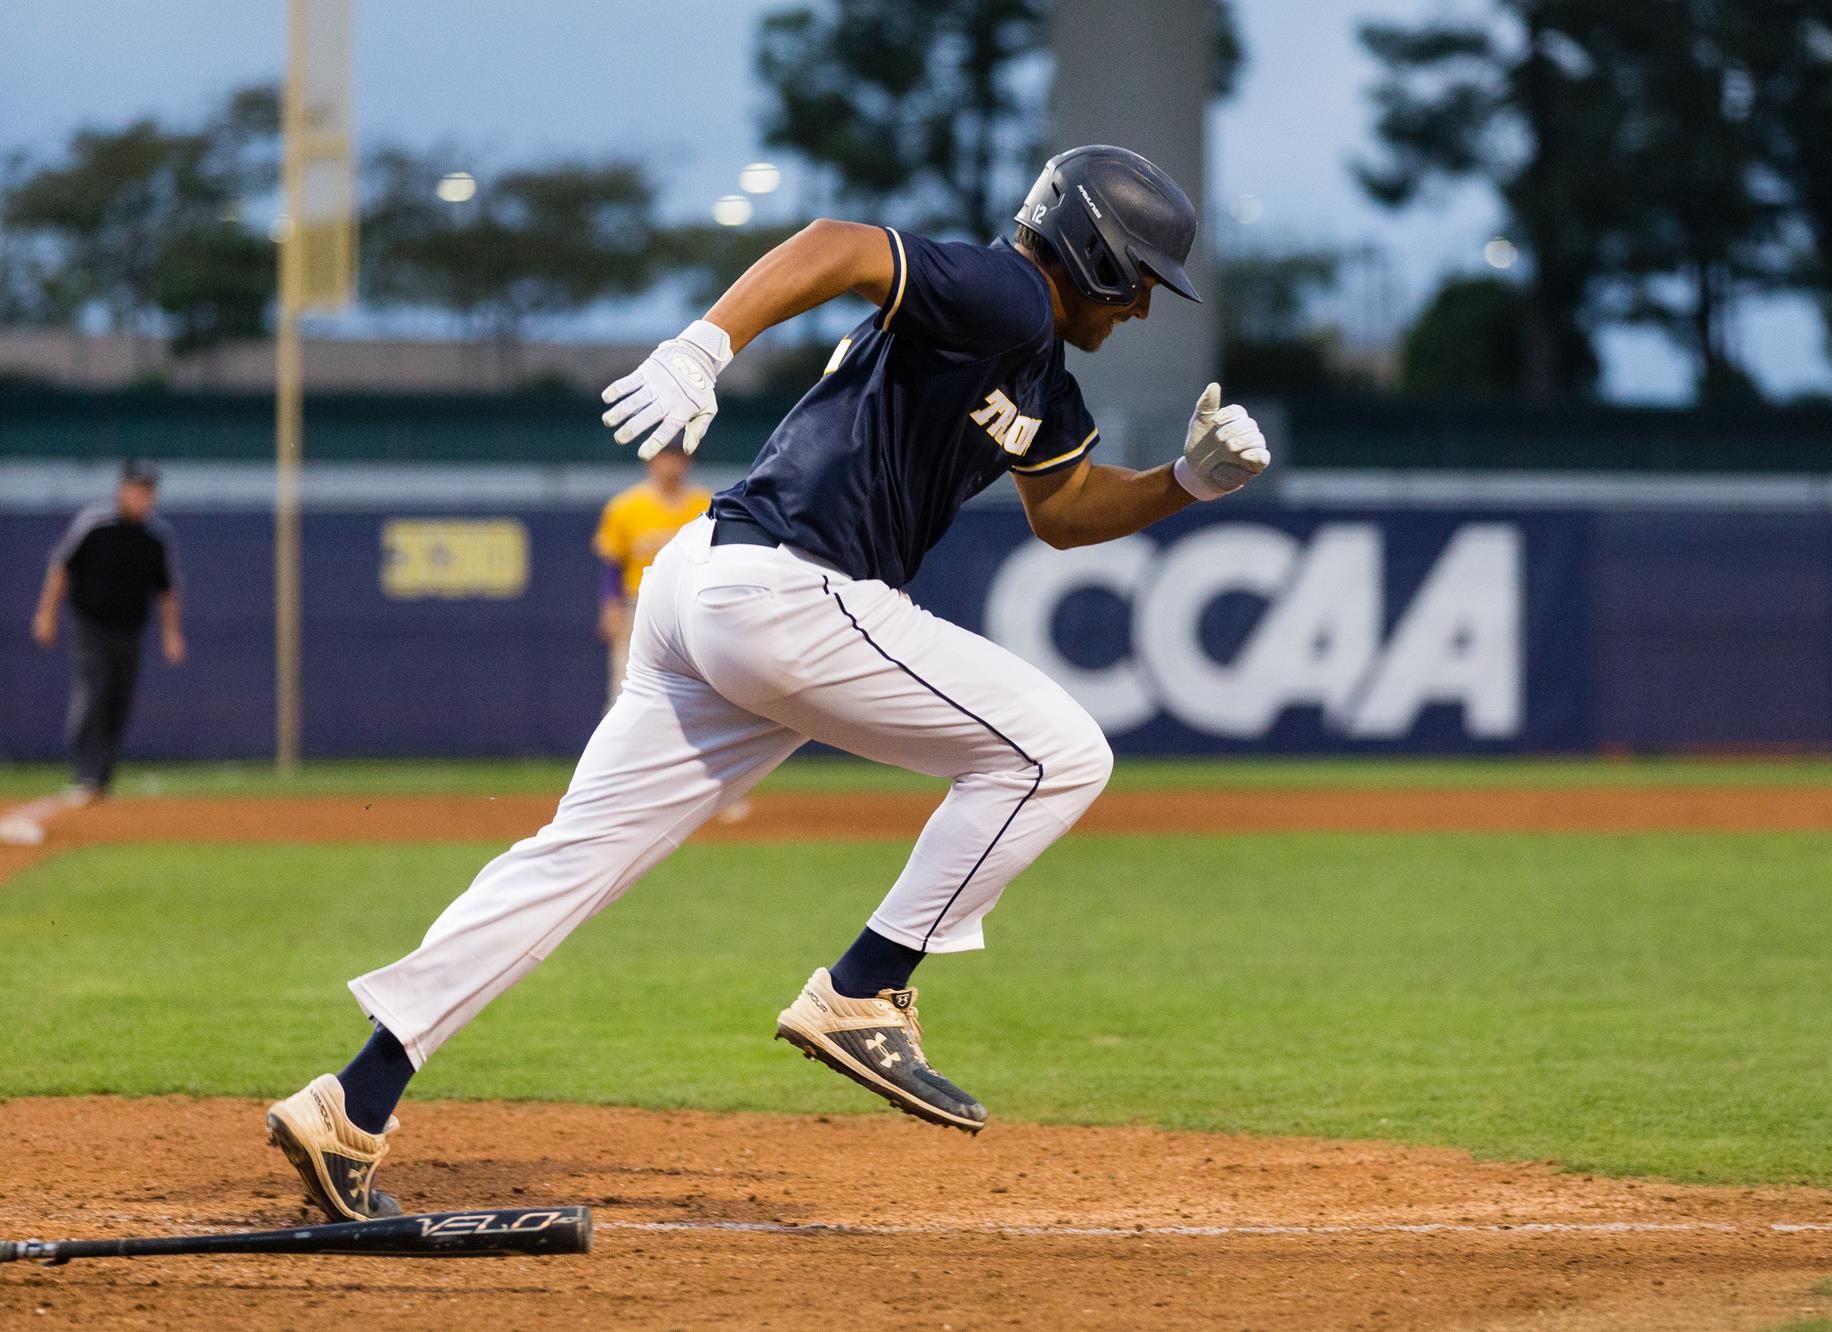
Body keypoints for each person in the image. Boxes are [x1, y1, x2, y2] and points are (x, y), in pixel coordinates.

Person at [266, 145, 1270, 1223]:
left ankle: (350, 1103)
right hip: (791, 589)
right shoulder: (1008, 293)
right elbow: (838, 247)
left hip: (708, 584)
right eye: (1144, 284)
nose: (1145, 312)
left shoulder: (1035, 370)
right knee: (1058, 754)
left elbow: (1063, 510)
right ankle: (863, 987)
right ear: (1096, 257)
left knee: (570, 863)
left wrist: (1182, 484)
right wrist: (703, 345)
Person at [29, 459, 185, 800]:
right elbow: (61, 567)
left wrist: (171, 634)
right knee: (94, 689)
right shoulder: (94, 523)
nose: (144, 498)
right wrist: (46, 614)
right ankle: (85, 774)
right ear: (123, 490)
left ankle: (101, 778)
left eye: (149, 492)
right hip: (90, 624)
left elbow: (167, 591)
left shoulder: (156, 537)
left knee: (119, 699)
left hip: (129, 629)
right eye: (138, 490)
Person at [593, 447, 708, 707]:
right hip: (638, 605)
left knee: (698, 689)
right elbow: (613, 562)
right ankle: (621, 747)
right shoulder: (625, 506)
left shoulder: (707, 505)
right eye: (665, 455)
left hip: (691, 607)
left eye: (678, 456)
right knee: (626, 687)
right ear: (651, 460)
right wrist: (611, 606)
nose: (671, 463)